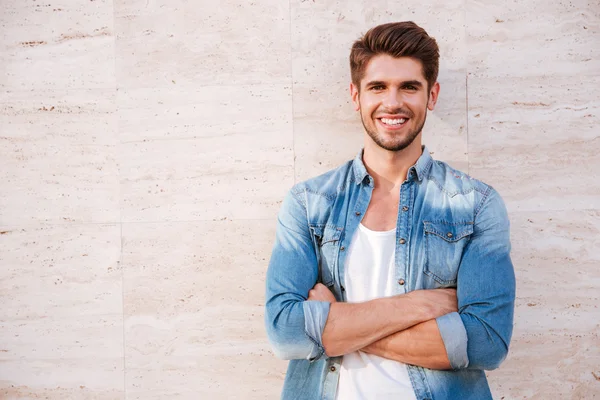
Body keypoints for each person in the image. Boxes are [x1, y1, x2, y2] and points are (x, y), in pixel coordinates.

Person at [265, 21, 515, 400]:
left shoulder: (474, 204)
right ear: (356, 95)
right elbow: (285, 333)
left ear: (432, 95)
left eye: (409, 87)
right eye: (378, 87)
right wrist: (417, 305)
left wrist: (336, 326)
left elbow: (486, 343)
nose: (393, 102)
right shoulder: (309, 203)